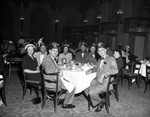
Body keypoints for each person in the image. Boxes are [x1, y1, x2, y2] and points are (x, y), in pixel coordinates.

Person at [42, 42, 75, 109]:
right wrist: (59, 70)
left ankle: (60, 99)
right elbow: (47, 70)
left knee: (68, 80)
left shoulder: (50, 58)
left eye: (56, 51)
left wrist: (58, 68)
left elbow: (52, 68)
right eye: (53, 50)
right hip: (53, 84)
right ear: (49, 51)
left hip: (53, 80)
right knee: (72, 85)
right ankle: (66, 104)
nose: (55, 52)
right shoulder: (47, 59)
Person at [85, 46, 118, 112]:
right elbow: (97, 68)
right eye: (98, 51)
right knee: (84, 86)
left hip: (105, 82)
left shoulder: (111, 59)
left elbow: (115, 70)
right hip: (97, 80)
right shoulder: (100, 59)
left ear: (105, 50)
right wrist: (91, 70)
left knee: (91, 92)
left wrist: (104, 75)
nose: (100, 52)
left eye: (102, 50)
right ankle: (99, 101)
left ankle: (100, 102)